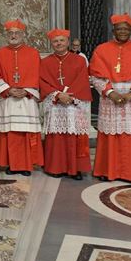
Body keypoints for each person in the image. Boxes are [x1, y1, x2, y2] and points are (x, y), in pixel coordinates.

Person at [89, 13, 131, 184]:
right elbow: (95, 76)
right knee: (110, 134)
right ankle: (107, 170)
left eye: (126, 29)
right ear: (114, 30)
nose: (123, 32)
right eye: (119, 29)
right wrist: (110, 93)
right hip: (110, 98)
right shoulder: (102, 49)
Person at [0, 19, 43, 176]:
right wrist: (7, 90)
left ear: (23, 34)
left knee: (25, 133)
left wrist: (26, 90)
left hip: (26, 100)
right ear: (7, 35)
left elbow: (38, 75)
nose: (14, 36)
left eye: (17, 33)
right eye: (11, 33)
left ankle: (26, 165)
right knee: (10, 133)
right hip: (8, 99)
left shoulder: (33, 53)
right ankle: (11, 165)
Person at [40, 28, 92, 180]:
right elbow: (42, 81)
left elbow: (82, 80)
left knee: (74, 136)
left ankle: (75, 169)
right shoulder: (45, 62)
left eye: (62, 40)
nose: (59, 43)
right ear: (51, 44)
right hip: (55, 104)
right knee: (56, 137)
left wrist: (69, 96)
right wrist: (58, 95)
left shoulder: (79, 60)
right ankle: (55, 167)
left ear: (68, 42)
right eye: (55, 41)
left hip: (74, 104)